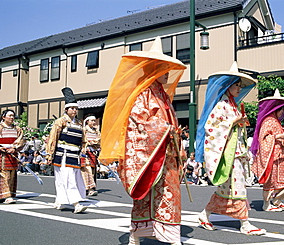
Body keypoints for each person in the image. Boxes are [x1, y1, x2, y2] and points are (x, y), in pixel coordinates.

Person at [99, 36, 186, 245]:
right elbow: (138, 122)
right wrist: (167, 129)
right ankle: (137, 234)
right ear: (154, 68)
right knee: (147, 195)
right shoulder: (143, 93)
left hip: (166, 153)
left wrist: (174, 136)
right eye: (163, 68)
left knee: (170, 194)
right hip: (153, 153)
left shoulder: (163, 96)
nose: (167, 73)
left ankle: (169, 236)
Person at [195, 62, 266, 235]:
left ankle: (205, 214)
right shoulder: (222, 105)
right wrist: (234, 121)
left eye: (240, 85)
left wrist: (239, 122)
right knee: (238, 187)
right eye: (237, 84)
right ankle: (245, 224)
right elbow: (211, 127)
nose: (239, 88)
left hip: (235, 152)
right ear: (229, 85)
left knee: (226, 189)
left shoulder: (232, 105)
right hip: (229, 153)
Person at [251, 89, 284, 212]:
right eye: (282, 109)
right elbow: (263, 137)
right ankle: (267, 203)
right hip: (272, 154)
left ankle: (277, 201)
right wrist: (280, 136)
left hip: (281, 154)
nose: (283, 112)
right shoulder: (268, 120)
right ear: (276, 108)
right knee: (271, 180)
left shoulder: (276, 121)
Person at [45, 87, 88, 214]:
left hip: (75, 155)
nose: (74, 111)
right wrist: (49, 154)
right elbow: (53, 138)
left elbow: (83, 140)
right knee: (66, 178)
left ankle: (60, 200)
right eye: (72, 108)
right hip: (62, 154)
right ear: (66, 109)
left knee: (74, 178)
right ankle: (76, 203)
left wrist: (84, 150)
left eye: (76, 108)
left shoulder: (80, 124)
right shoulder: (60, 122)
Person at [0, 109, 24, 203]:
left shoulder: (17, 129)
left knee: (11, 175)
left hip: (13, 155)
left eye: (13, 115)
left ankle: (8, 194)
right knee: (3, 175)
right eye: (10, 115)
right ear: (3, 117)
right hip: (1, 156)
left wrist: (15, 148)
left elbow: (21, 141)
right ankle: (6, 196)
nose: (12, 117)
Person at [80, 114, 100, 196]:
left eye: (94, 121)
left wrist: (94, 143)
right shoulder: (84, 130)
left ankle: (92, 186)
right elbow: (82, 140)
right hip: (85, 151)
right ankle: (88, 188)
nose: (94, 122)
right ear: (87, 121)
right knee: (86, 169)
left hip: (93, 151)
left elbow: (99, 140)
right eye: (92, 120)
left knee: (93, 169)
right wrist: (86, 145)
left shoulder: (96, 131)